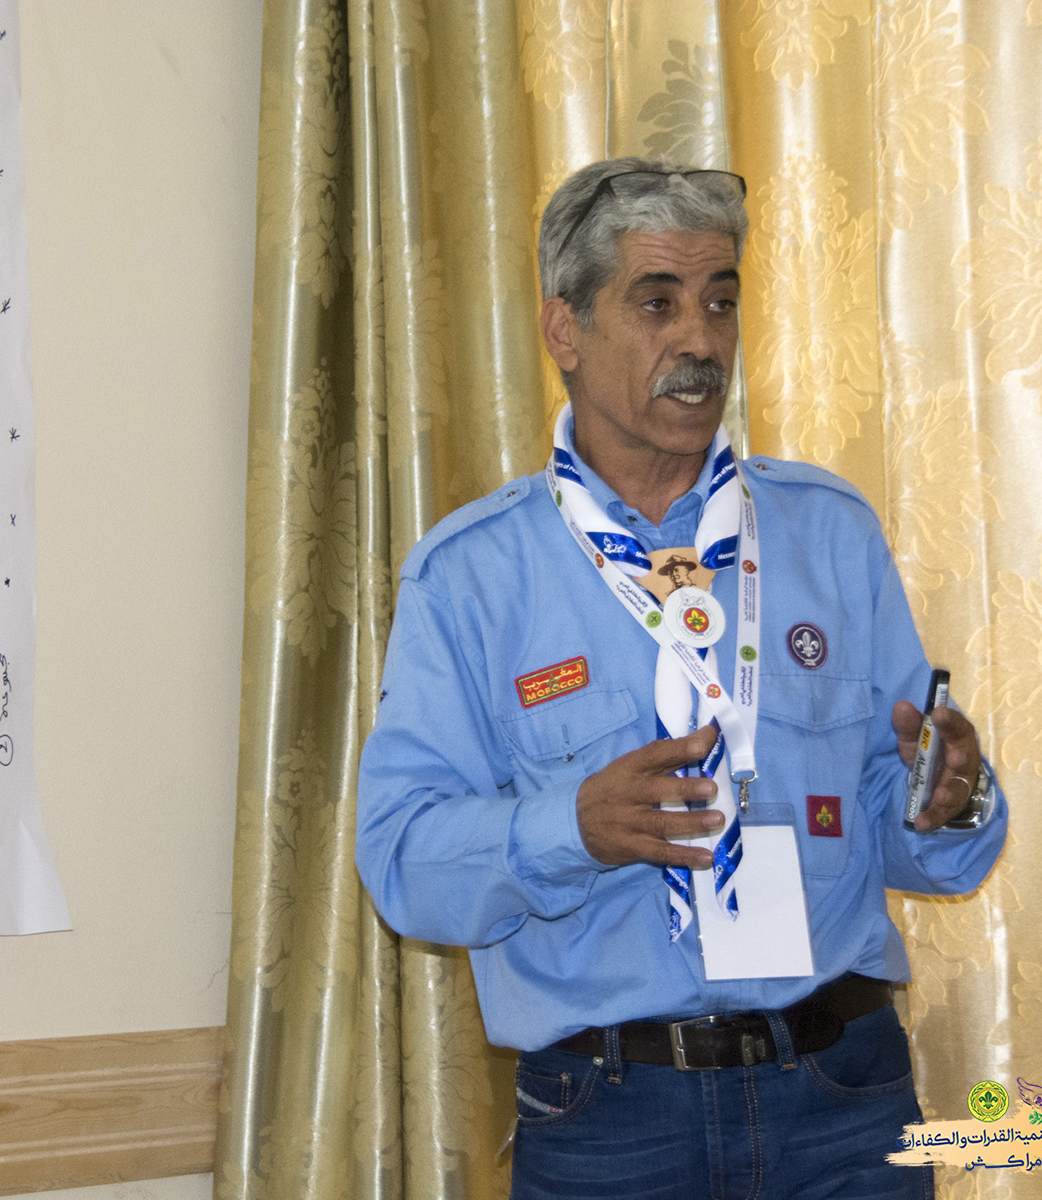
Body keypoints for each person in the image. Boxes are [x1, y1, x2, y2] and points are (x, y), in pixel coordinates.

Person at [355, 157, 1008, 1199]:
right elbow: (401, 861)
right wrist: (570, 829)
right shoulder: (470, 575)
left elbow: (913, 836)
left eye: (720, 302)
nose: (700, 340)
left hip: (842, 1097)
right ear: (565, 331)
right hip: (613, 1121)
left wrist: (950, 798)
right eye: (657, 303)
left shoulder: (830, 533)